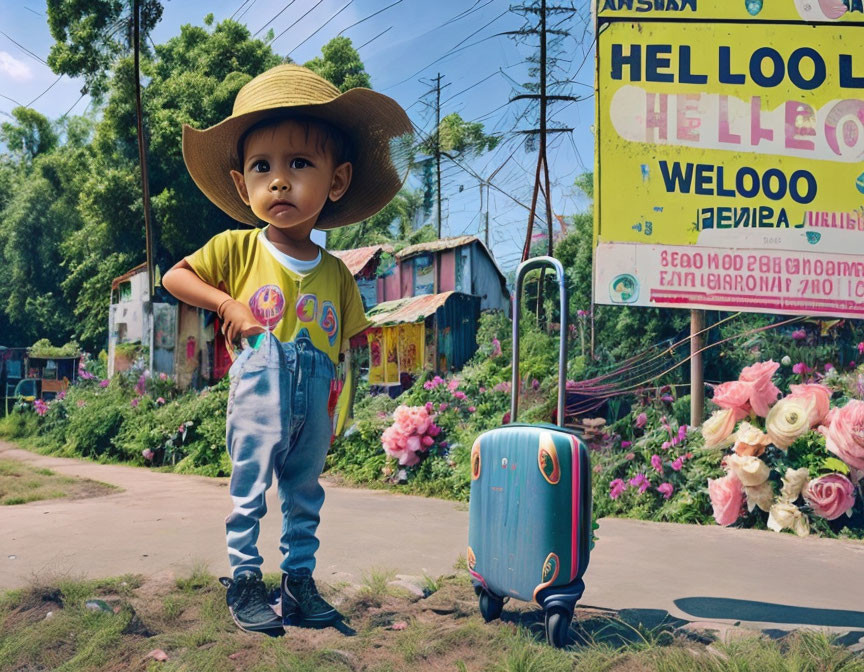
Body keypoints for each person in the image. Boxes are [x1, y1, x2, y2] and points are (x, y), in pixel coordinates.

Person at [162, 64, 411, 635]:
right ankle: (246, 580)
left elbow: (353, 349)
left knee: (305, 494)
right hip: (258, 391)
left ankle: (298, 582)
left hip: (317, 403)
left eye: (300, 164)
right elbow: (176, 277)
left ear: (338, 180)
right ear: (242, 182)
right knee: (249, 486)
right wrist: (229, 306)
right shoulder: (237, 248)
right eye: (262, 167)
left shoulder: (339, 275)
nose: (280, 181)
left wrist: (347, 409)